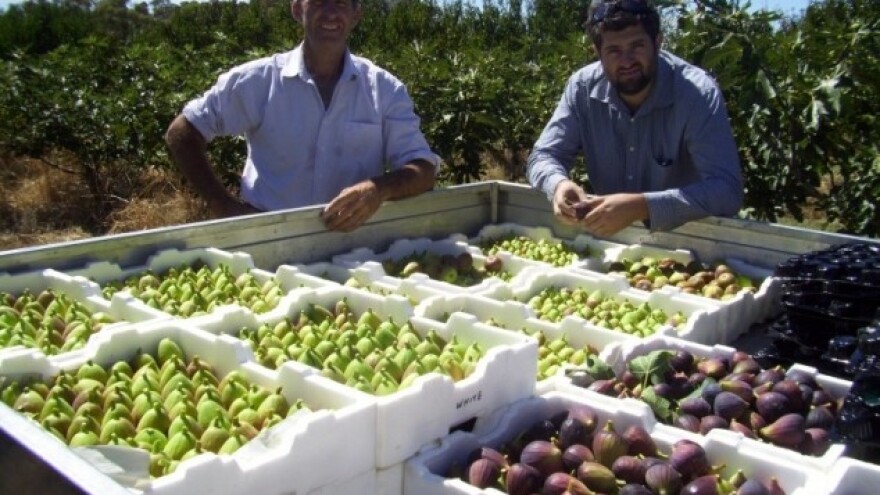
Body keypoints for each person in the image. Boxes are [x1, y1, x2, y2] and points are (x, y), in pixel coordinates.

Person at [165, 0, 440, 233]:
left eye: (342, 3)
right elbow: (183, 131)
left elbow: (423, 170)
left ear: (356, 15)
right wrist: (223, 205)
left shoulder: (385, 90)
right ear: (298, 9)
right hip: (269, 240)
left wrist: (378, 189)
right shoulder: (258, 81)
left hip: (353, 246)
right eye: (319, 1)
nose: (331, 13)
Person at [526, 0, 743, 237]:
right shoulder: (582, 89)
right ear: (597, 53)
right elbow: (543, 156)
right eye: (614, 51)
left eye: (636, 46)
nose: (627, 61)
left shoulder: (696, 93)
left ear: (657, 42)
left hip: (688, 242)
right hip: (611, 245)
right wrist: (558, 184)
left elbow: (727, 190)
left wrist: (642, 206)